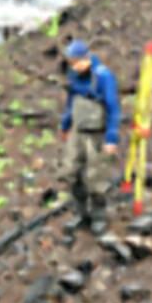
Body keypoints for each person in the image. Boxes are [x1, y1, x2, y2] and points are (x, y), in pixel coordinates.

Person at [58, 39, 122, 234]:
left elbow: (113, 108)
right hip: (78, 130)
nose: (75, 67)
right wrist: (66, 123)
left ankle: (99, 216)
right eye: (72, 63)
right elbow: (71, 101)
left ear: (86, 58)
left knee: (96, 177)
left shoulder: (103, 77)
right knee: (71, 171)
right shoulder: (73, 75)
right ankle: (80, 212)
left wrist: (112, 138)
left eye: (78, 62)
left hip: (97, 133)